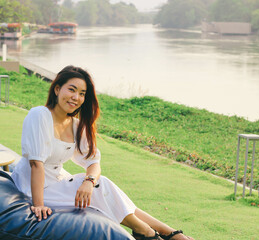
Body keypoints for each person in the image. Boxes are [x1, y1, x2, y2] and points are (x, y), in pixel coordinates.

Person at [11, 66, 194, 240]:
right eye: (72, 90)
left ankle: (168, 232)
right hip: (32, 187)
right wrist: (39, 204)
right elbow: (36, 164)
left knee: (105, 189)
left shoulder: (75, 125)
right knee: (103, 187)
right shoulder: (39, 115)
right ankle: (145, 231)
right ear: (57, 89)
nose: (76, 97)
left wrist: (89, 182)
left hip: (57, 182)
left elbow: (93, 163)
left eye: (82, 94)